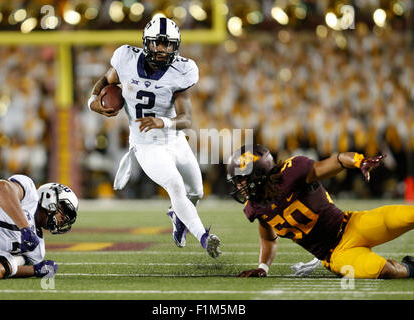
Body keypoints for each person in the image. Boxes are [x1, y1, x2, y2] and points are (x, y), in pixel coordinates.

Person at [87, 16, 221, 258]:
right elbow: (106, 80)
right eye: (158, 43)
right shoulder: (125, 59)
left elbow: (186, 119)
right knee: (175, 186)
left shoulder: (182, 70)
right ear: (146, 43)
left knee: (196, 192)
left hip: (174, 139)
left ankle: (177, 217)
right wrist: (93, 102)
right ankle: (204, 237)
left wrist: (163, 121)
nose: (163, 50)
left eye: (168, 44)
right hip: (146, 144)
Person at [226, 144, 414, 279]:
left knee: (409, 216)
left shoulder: (293, 172)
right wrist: (263, 267)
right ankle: (410, 266)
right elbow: (268, 238)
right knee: (384, 270)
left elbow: (336, 161)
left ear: (258, 173)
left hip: (352, 225)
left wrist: (358, 161)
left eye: (242, 179)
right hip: (335, 255)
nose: (239, 186)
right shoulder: (255, 207)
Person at [0, 174, 78, 279]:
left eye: (67, 218)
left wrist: (35, 270)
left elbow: (10, 268)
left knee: (8, 261)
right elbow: (1, 188)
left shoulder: (38, 250)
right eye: (64, 211)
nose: (64, 219)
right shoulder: (29, 193)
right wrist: (25, 228)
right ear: (49, 196)